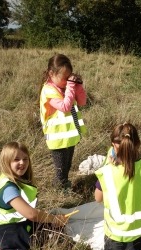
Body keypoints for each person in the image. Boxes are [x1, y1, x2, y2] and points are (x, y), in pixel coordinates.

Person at [0, 141, 69, 250]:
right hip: (9, 231)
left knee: (49, 228)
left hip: (16, 223)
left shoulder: (10, 178)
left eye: (25, 159)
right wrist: (54, 219)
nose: (22, 163)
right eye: (16, 159)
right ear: (6, 161)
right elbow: (31, 214)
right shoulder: (9, 188)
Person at [39, 54, 87, 190]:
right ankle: (59, 192)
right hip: (58, 139)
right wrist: (71, 86)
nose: (67, 81)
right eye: (64, 78)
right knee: (60, 169)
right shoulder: (49, 90)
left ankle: (65, 186)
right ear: (51, 73)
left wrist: (78, 86)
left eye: (69, 77)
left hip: (69, 136)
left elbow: (82, 102)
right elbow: (65, 107)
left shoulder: (64, 87)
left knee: (67, 165)